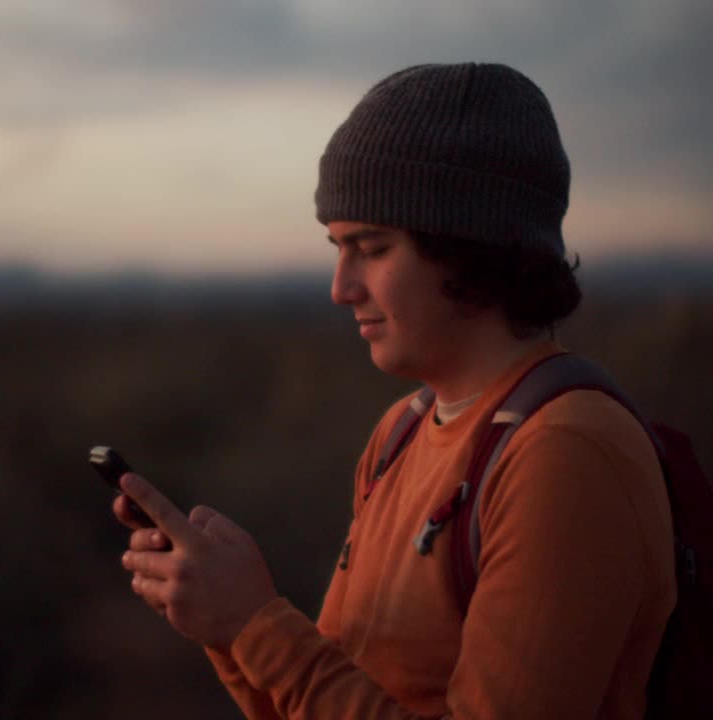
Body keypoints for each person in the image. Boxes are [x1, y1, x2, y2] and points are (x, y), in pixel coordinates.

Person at [115, 62, 676, 719]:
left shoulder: (565, 454)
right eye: (337, 247)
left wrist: (253, 624)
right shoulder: (403, 430)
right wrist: (226, 624)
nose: (340, 287)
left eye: (372, 248)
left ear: (468, 246)